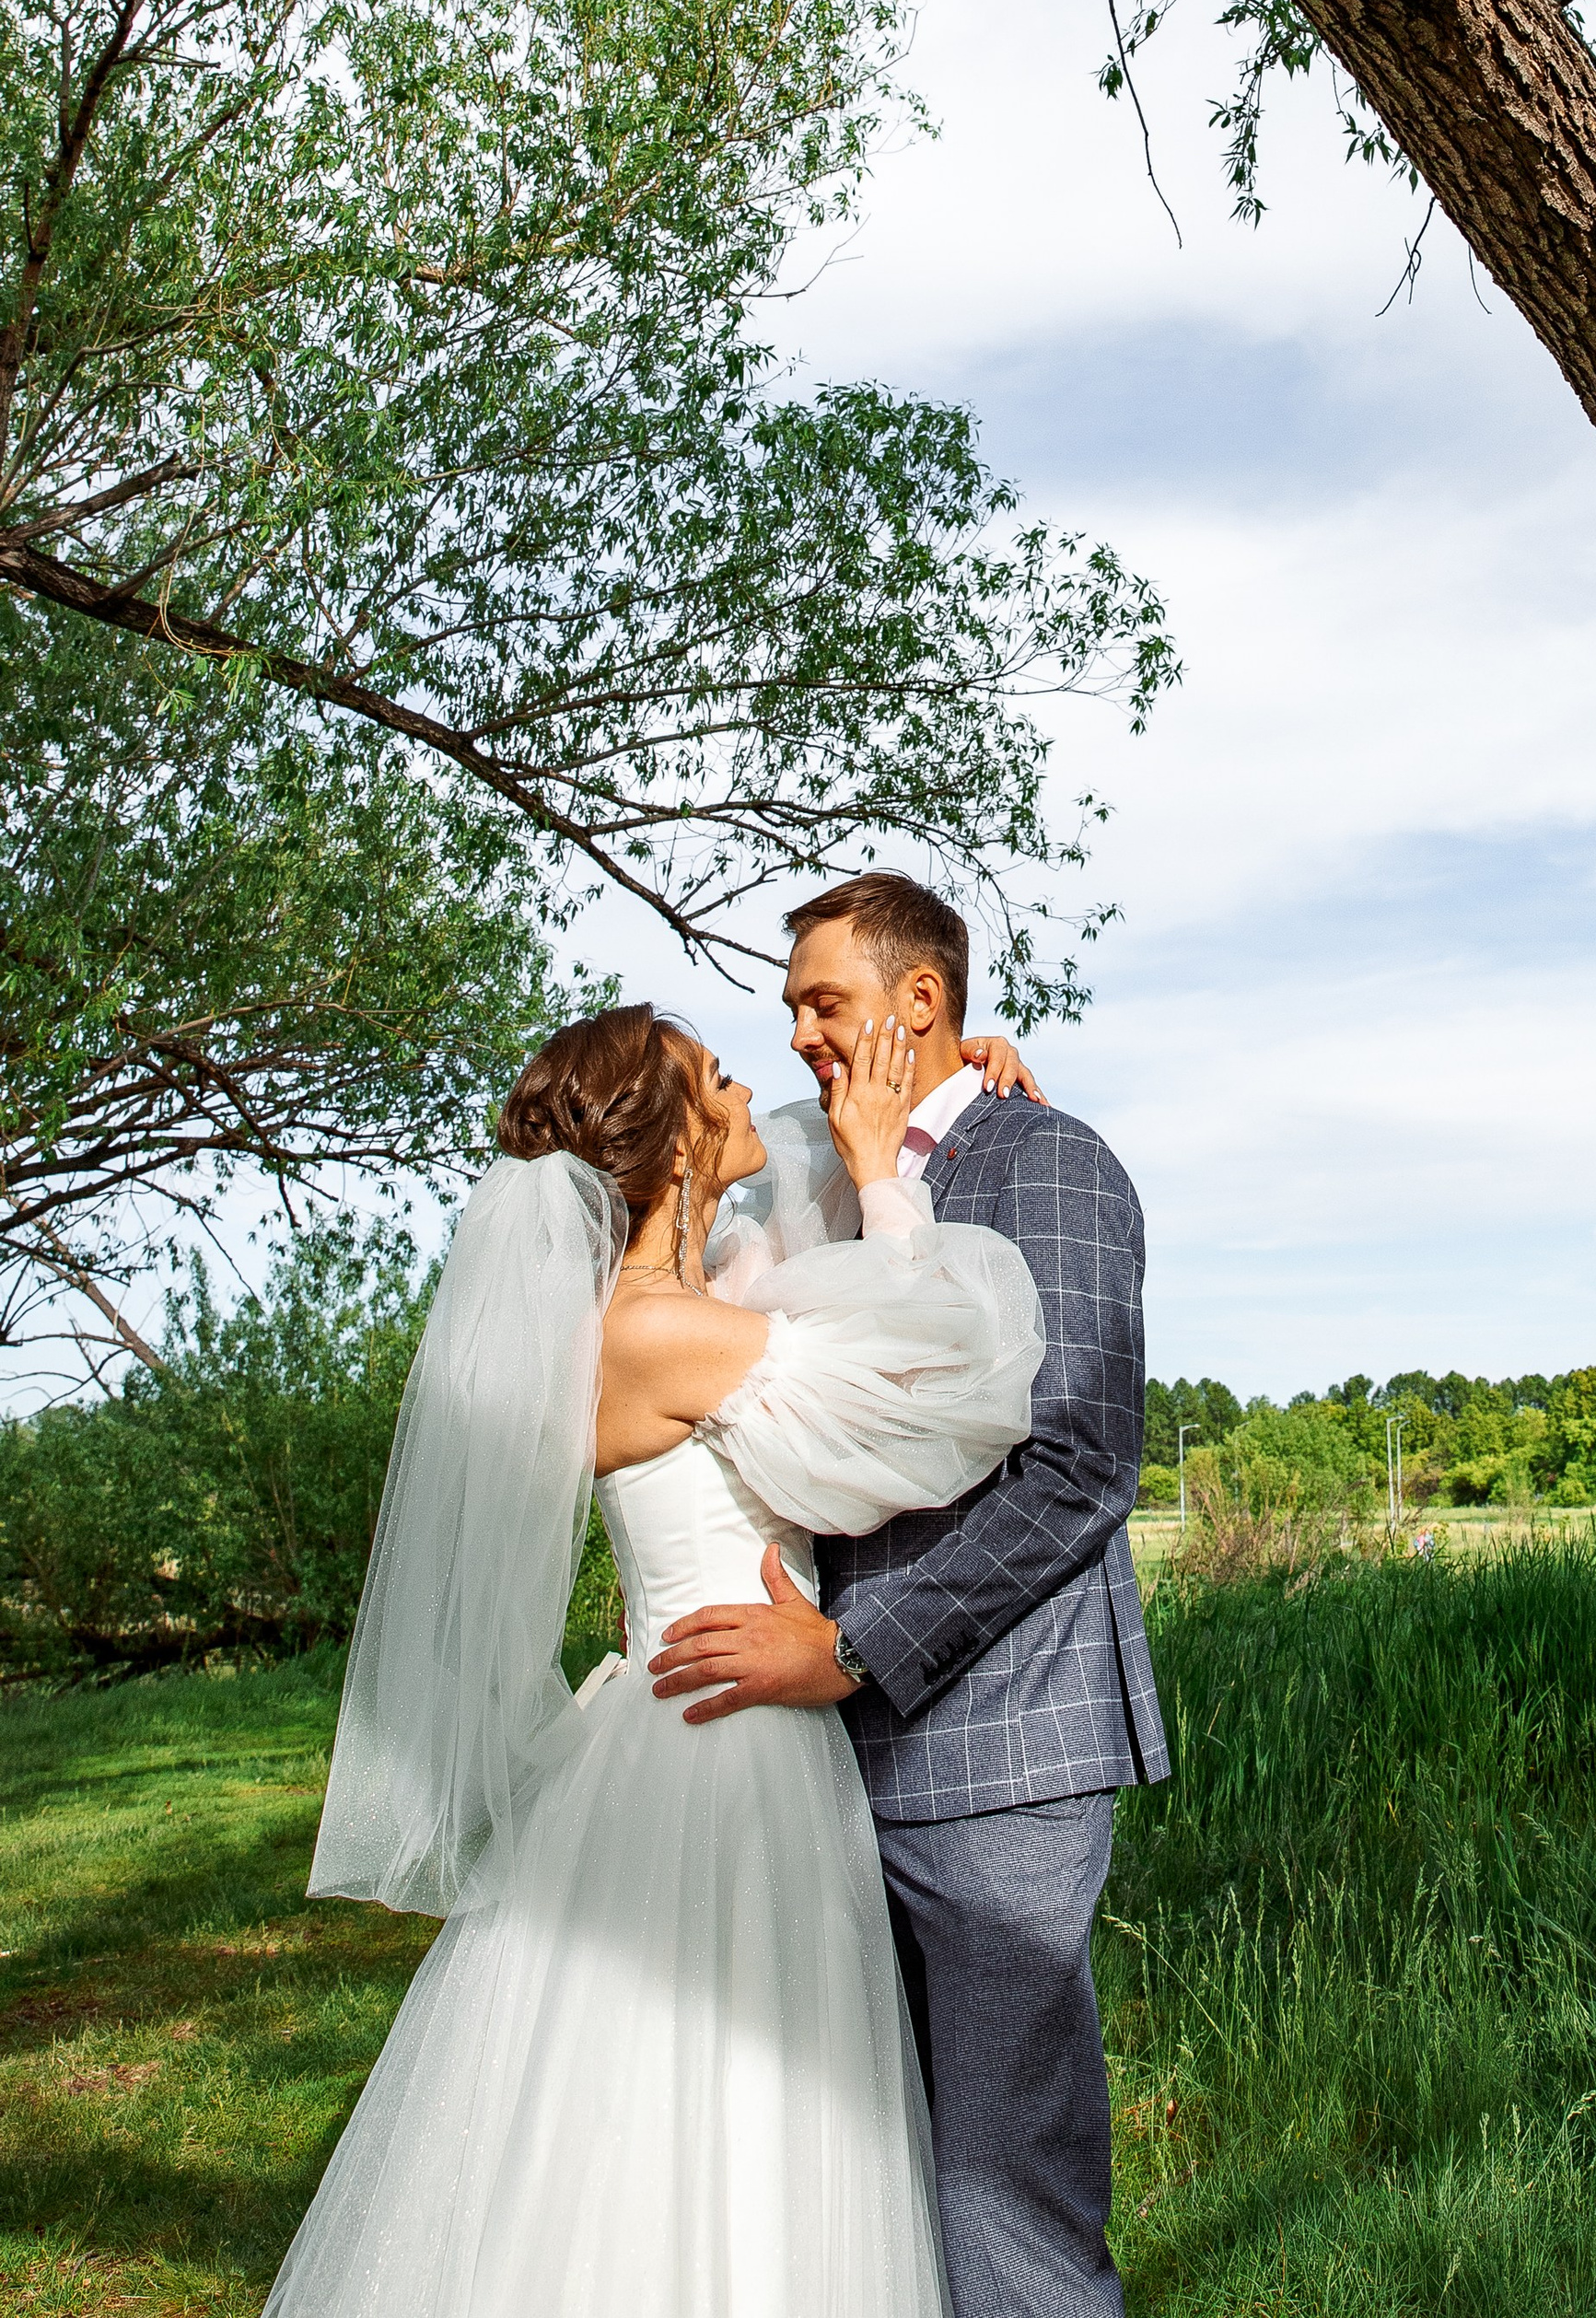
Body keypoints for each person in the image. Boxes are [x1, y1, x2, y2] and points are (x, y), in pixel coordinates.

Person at [263, 998, 1044, 2318]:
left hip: (679, 1725)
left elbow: (789, 1158)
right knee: (722, 2105)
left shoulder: (692, 1293)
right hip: (727, 1752)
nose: (747, 1096)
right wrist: (881, 1173)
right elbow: (948, 1382)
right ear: (678, 1142)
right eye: (720, 1080)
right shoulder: (660, 1333)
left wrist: (946, 1072)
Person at [647, 874, 1169, 2318]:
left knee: (1000, 2189)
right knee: (855, 2178)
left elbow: (1077, 1465)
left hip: (999, 1756)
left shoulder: (1050, 1163)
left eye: (825, 1003)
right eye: (792, 1010)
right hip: (813, 1766)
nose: (801, 1035)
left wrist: (853, 1647)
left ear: (919, 999)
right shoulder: (815, 1172)